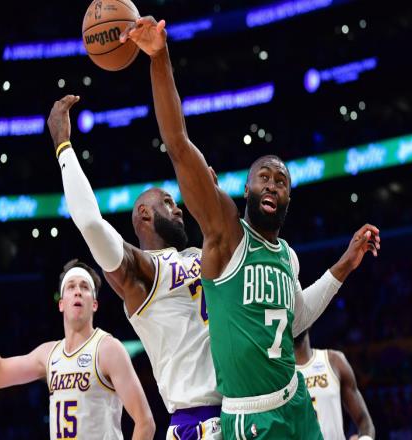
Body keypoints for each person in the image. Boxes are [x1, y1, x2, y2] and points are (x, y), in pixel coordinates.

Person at [120, 16, 381, 439]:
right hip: (248, 417)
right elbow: (178, 144)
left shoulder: (287, 256)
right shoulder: (226, 235)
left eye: (281, 181)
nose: (273, 184)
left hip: (295, 401)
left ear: (288, 199)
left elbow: (296, 317)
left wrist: (345, 265)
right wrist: (159, 56)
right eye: (264, 177)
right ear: (246, 189)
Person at [48, 99, 223, 439]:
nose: (178, 210)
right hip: (198, 421)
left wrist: (214, 198)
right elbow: (90, 223)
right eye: (168, 203)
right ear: (144, 213)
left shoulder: (201, 254)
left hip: (241, 411)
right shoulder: (144, 272)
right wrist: (63, 147)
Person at [0, 259, 155, 440]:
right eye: (71, 286)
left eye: (84, 287)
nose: (77, 291)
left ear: (94, 304)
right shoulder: (48, 354)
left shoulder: (108, 349)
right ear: (61, 304)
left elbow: (145, 422)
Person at [294, 329, 375, 440]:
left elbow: (364, 420)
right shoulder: (275, 375)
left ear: (309, 322)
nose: (296, 322)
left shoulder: (334, 361)